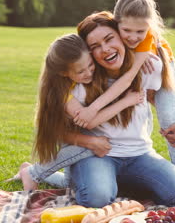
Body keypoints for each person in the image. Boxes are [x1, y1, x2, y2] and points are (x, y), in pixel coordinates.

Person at [67, 11, 175, 208]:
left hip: (139, 154)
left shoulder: (147, 66)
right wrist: (90, 141)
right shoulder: (82, 78)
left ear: (121, 35)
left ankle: (110, 184)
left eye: (109, 39)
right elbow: (59, 129)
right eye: (95, 47)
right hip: (99, 155)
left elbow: (154, 97)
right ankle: (86, 180)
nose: (105, 49)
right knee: (97, 198)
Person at [11, 33, 144, 190]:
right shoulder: (63, 94)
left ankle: (26, 169)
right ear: (64, 73)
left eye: (90, 65)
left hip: (76, 133)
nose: (89, 73)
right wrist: (126, 101)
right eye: (81, 71)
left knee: (70, 183)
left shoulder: (77, 80)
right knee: (92, 145)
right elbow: (88, 121)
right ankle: (34, 173)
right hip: (70, 137)